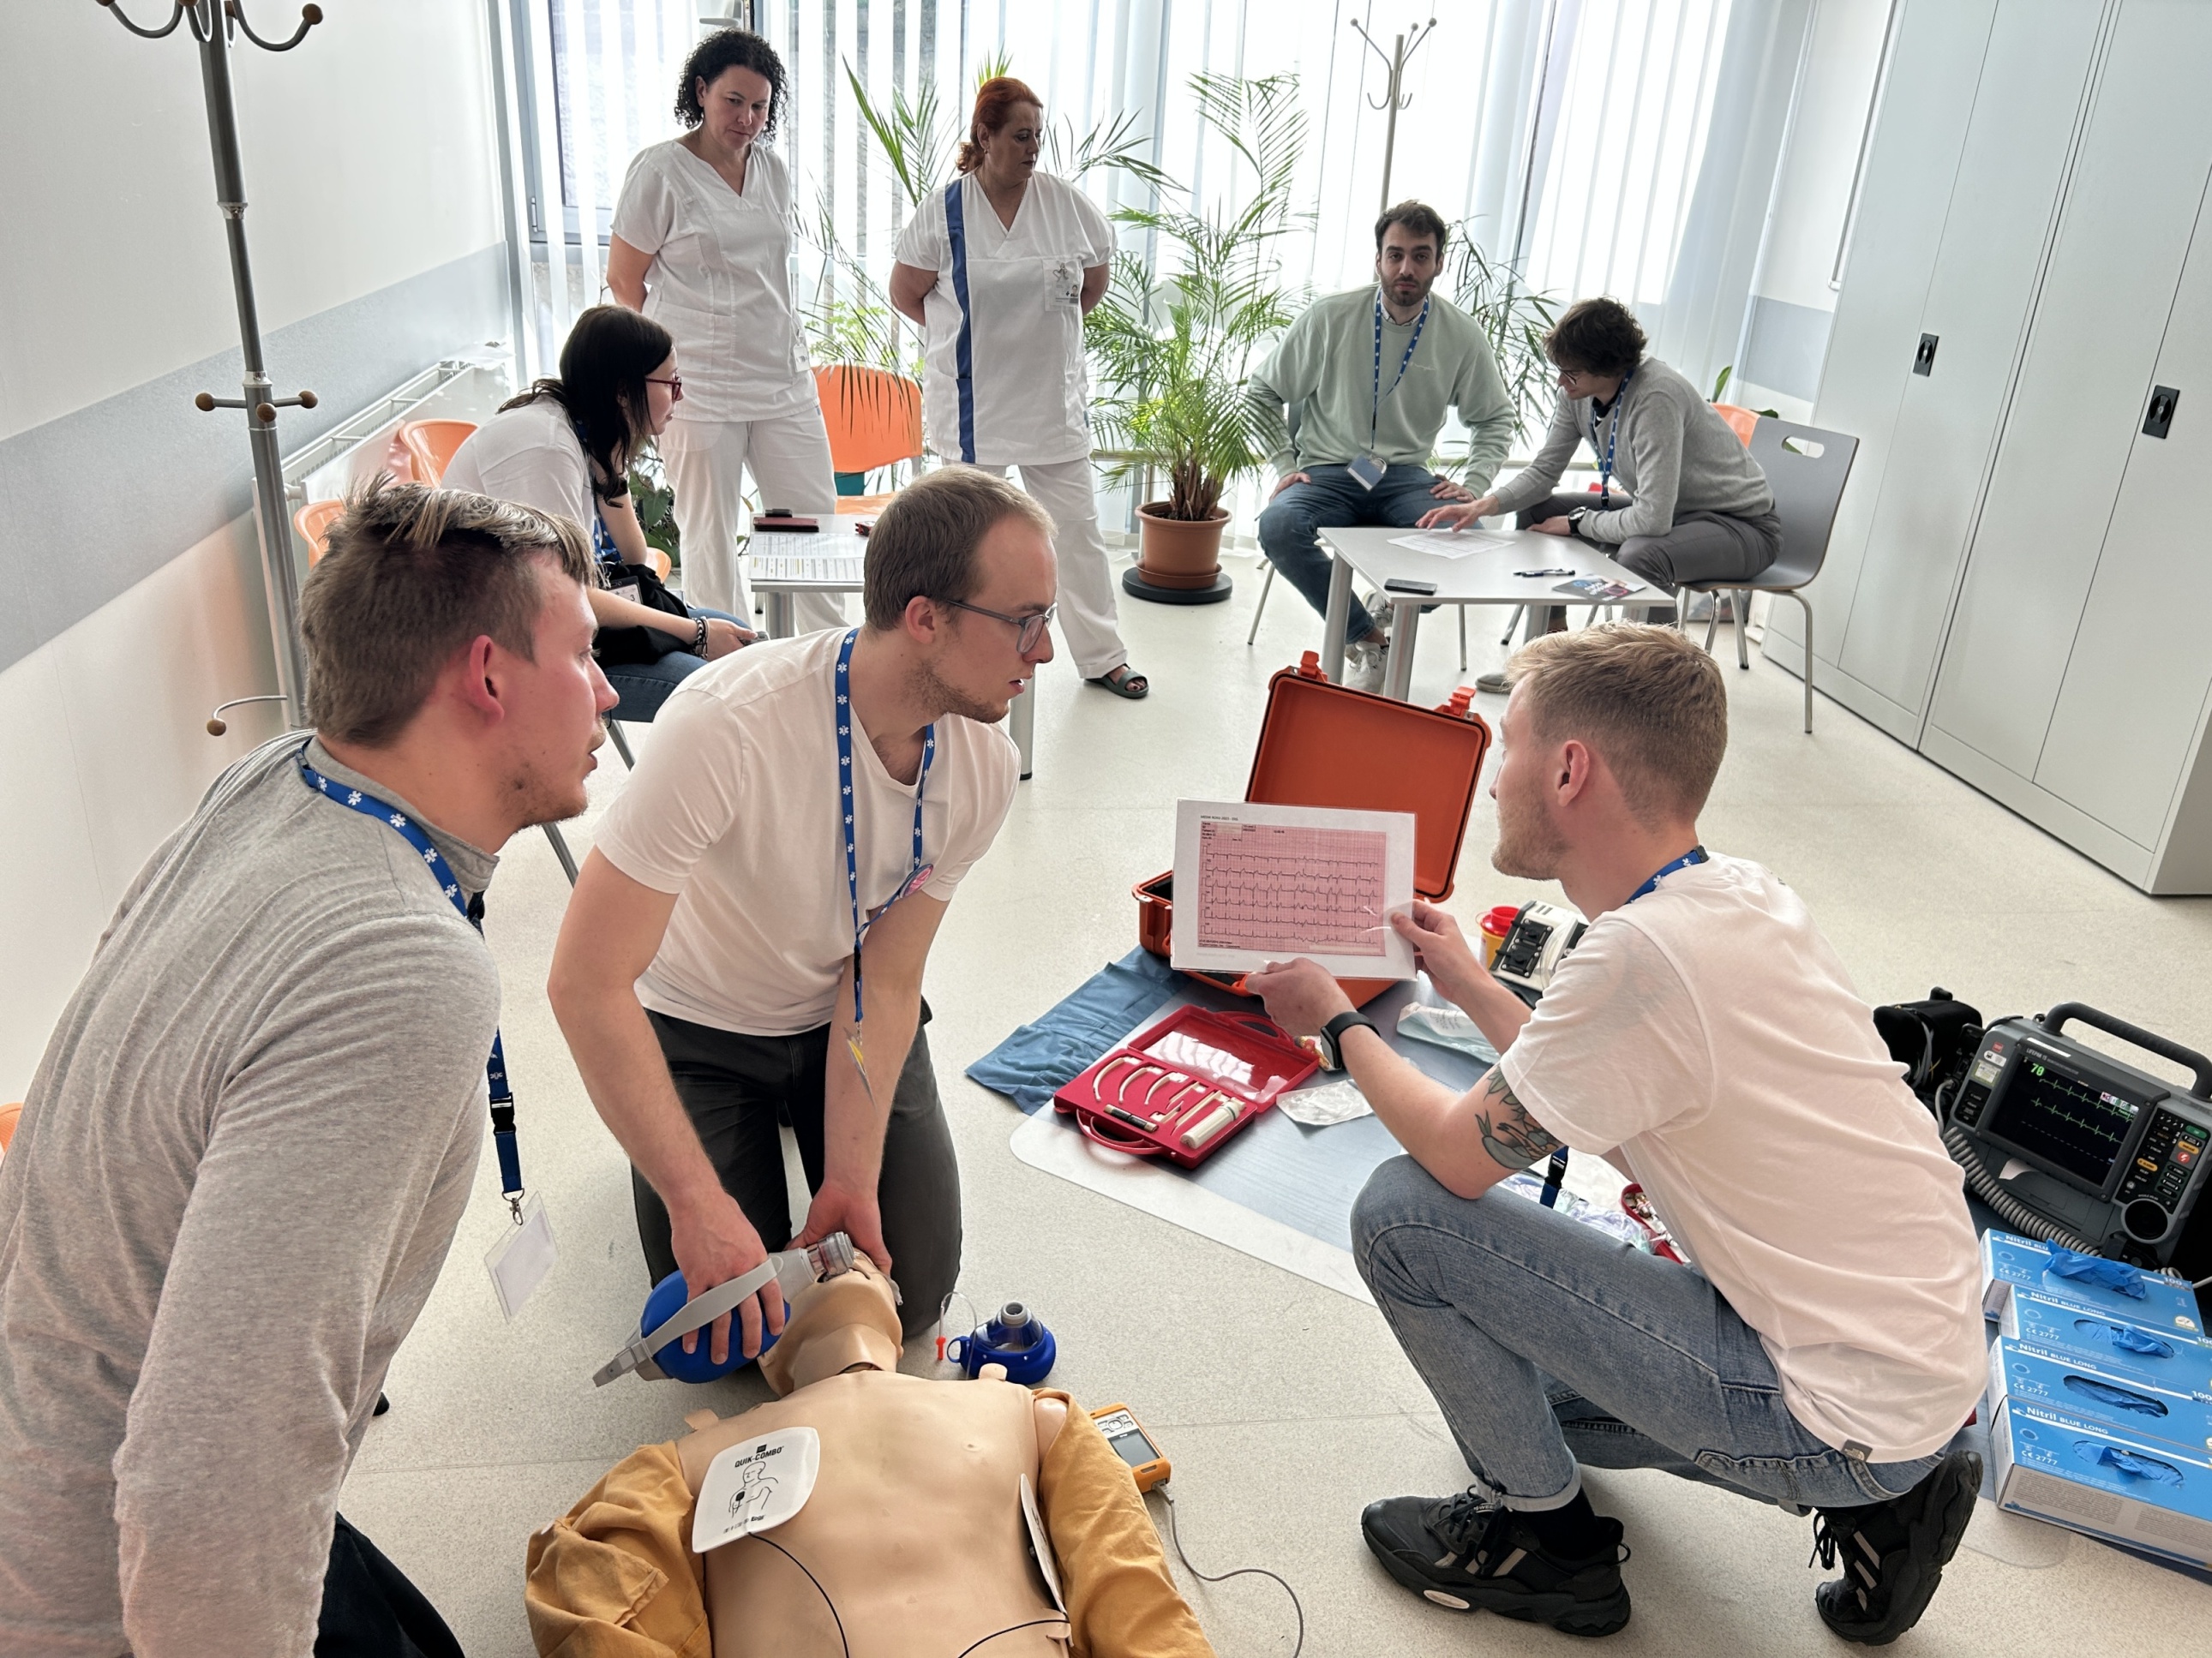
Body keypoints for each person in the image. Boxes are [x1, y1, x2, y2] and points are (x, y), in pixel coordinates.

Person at [1247, 624, 1985, 1644]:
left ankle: (1549, 1550)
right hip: (1919, 1374)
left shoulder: (1641, 955)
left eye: (1509, 746)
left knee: (1401, 1217)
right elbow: (1587, 1089)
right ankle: (1892, 1499)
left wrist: (1336, 1025)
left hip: (1837, 1416)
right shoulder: (1739, 897)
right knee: (1528, 1405)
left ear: (1567, 769)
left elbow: (1457, 1156)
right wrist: (1462, 978)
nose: (1495, 778)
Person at [0, 482, 616, 1656]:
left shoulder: (278, 779)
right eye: (583, 653)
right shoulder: (399, 964)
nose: (604, 691)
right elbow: (209, 1481)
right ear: (488, 676)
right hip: (103, 1593)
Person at [547, 464, 1049, 1368]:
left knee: (912, 1286)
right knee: (727, 1330)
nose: (1044, 650)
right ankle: (704, 1141)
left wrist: (852, 1177)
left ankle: (802, 1132)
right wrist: (696, 1205)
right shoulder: (726, 723)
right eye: (1024, 620)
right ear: (925, 617)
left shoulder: (980, 763)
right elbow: (586, 980)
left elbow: (886, 977)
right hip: (700, 1026)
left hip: (837, 1019)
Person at [525, 1248, 1215, 1656]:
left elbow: (1133, 1598)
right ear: (764, 1354)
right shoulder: (679, 1468)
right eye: (799, 1257)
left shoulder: (1037, 1415)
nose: (839, 1254)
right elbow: (600, 1608)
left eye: (867, 1257)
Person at [888, 75, 1148, 700]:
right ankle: (956, 658)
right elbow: (906, 293)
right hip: (973, 406)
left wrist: (1036, 339)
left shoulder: (1065, 205)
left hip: (1050, 404)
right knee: (966, 543)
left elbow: (1092, 285)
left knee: (1078, 534)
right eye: (1021, 136)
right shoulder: (945, 210)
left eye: (1038, 136)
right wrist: (966, 336)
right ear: (986, 137)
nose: (1033, 148)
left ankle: (1103, 656)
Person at [608, 27, 842, 629]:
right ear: (701, 92)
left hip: (782, 378)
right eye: (733, 101)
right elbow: (624, 280)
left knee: (812, 526)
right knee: (709, 535)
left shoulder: (773, 171)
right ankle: (729, 659)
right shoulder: (661, 171)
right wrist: (659, 369)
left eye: (760, 106)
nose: (747, 119)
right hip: (700, 386)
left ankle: (828, 656)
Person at [1422, 296, 1778, 688]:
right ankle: (1547, 667)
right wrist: (1484, 505)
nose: (1561, 381)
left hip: (1741, 527)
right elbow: (1544, 471)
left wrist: (1578, 523)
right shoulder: (1577, 396)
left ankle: (1657, 689)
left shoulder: (1656, 397)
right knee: (1540, 510)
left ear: (1608, 367)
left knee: (1643, 554)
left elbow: (1652, 521)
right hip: (1675, 515)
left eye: (1571, 373)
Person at [1246, 201, 1518, 690]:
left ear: (1438, 263)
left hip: (1406, 477)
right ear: (1378, 260)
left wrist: (1474, 487)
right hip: (1327, 471)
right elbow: (1261, 391)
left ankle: (1391, 604)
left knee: (1465, 542)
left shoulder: (1461, 334)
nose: (1406, 268)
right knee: (1278, 526)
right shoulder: (1329, 317)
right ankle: (1368, 636)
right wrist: (1284, 464)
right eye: (1395, 255)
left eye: (1420, 256)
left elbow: (1496, 417)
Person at [443, 303, 755, 721]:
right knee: (717, 692)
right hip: (513, 641)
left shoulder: (584, 430)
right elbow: (562, 594)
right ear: (623, 391)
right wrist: (695, 633)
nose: (679, 396)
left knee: (736, 641)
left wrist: (612, 465)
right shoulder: (545, 447)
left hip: (567, 619)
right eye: (671, 382)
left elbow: (633, 555)